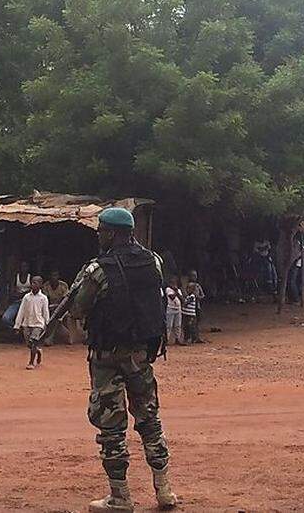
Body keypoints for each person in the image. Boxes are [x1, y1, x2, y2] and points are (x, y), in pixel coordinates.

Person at [64, 207, 178, 512]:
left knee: (111, 428)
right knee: (149, 420)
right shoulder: (153, 261)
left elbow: (78, 308)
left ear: (112, 233)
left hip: (107, 356)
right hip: (142, 354)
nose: (99, 236)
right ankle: (164, 490)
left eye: (101, 231)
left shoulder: (98, 269)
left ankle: (120, 496)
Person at [13, 277, 49, 369]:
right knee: (28, 343)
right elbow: (21, 311)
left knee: (33, 341)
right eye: (32, 283)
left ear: (40, 285)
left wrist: (46, 323)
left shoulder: (43, 298)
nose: (33, 285)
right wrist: (17, 325)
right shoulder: (26, 297)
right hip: (27, 323)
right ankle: (38, 351)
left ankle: (31, 362)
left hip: (38, 323)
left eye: (36, 283)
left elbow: (45, 312)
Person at [181, 271, 205, 344]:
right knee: (188, 325)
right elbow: (185, 296)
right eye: (193, 275)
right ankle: (189, 338)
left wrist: (198, 297)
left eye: (195, 275)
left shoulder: (197, 286)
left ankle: (195, 337)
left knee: (195, 323)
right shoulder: (186, 286)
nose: (194, 277)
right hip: (189, 309)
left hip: (196, 307)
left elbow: (202, 295)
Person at [163, 276, 183, 346]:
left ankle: (177, 339)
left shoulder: (178, 290)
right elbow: (172, 297)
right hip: (170, 309)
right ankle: (166, 340)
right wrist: (176, 291)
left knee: (178, 325)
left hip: (178, 308)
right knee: (169, 326)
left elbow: (182, 299)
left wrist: (177, 291)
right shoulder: (168, 289)